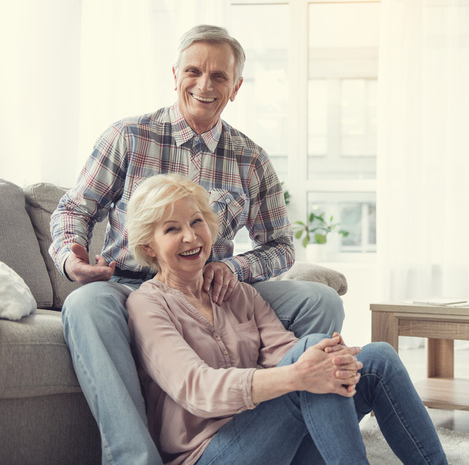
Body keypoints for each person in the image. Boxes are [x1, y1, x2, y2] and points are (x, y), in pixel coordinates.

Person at [49, 24, 344, 465]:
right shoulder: (128, 136)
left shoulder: (251, 159)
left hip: (214, 288)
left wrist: (234, 270)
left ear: (236, 87)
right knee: (85, 305)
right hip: (129, 284)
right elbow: (73, 210)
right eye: (194, 71)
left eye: (219, 77)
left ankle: (273, 433)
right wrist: (72, 260)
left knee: (319, 300)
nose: (204, 85)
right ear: (175, 75)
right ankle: (135, 458)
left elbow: (281, 245)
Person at [124, 173, 448, 465]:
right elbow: (198, 389)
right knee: (312, 358)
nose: (192, 237)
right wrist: (298, 376)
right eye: (172, 229)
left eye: (196, 222)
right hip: (209, 454)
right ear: (149, 247)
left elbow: (286, 350)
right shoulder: (148, 305)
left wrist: (333, 361)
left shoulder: (238, 294)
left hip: (274, 441)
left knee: (377, 358)